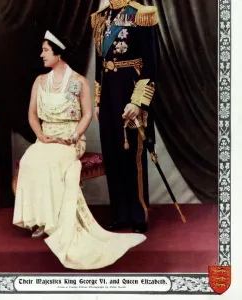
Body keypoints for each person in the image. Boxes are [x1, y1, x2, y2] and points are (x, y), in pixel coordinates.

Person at [13, 30, 146, 270]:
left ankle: (55, 221)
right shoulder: (40, 81)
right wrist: (41, 136)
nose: (41, 55)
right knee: (32, 160)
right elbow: (32, 114)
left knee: (54, 161)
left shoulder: (79, 82)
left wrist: (73, 136)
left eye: (45, 50)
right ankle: (41, 219)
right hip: (46, 136)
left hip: (71, 138)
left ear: (58, 52)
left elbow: (87, 115)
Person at [91, 0, 159, 233]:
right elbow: (100, 64)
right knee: (113, 154)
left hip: (130, 91)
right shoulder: (100, 17)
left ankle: (138, 215)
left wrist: (138, 102)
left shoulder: (141, 14)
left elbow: (150, 65)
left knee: (134, 156)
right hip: (109, 94)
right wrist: (98, 100)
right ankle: (120, 215)